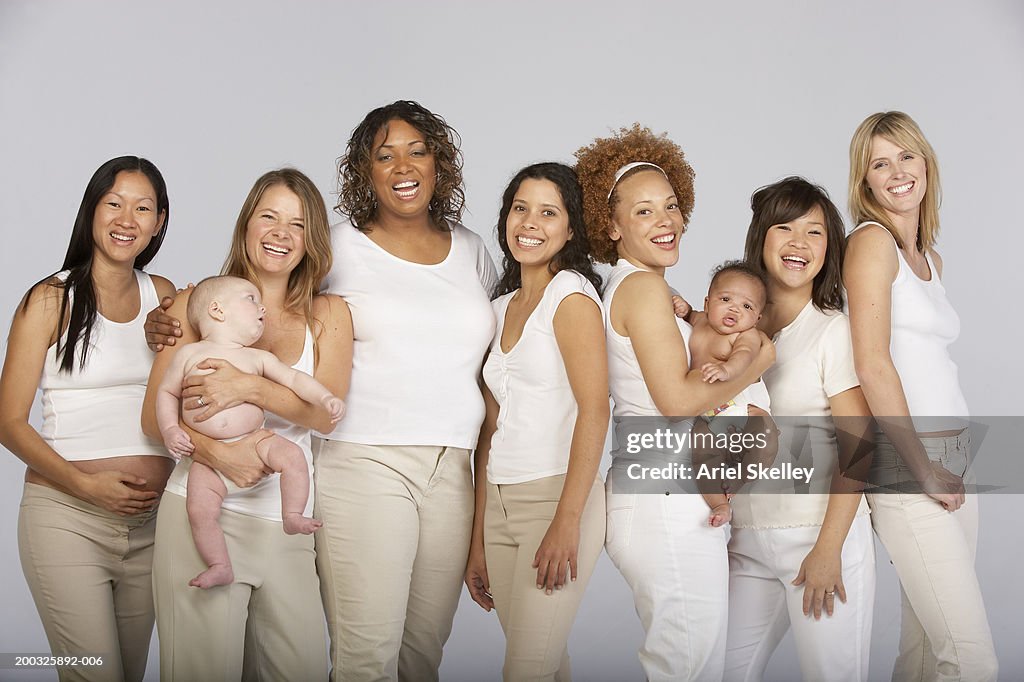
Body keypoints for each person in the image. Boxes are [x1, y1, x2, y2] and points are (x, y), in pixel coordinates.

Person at [574, 125, 775, 682]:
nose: (666, 221)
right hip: (663, 494)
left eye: (670, 205)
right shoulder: (640, 289)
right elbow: (677, 400)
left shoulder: (648, 288)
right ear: (611, 227)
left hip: (666, 489)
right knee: (688, 665)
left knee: (691, 663)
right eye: (643, 213)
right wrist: (756, 365)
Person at [141, 168, 351, 681]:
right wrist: (215, 455)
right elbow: (154, 416)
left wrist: (249, 387)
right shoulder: (197, 303)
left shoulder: (329, 314)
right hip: (198, 513)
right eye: (269, 217)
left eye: (297, 224)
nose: (281, 233)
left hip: (285, 523)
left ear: (312, 240)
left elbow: (326, 415)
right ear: (246, 225)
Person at [317, 100, 497, 682]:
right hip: (364, 461)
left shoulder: (471, 250)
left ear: (438, 164)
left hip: (453, 470)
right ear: (364, 172)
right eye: (384, 154)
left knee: (423, 655)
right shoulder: (336, 246)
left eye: (417, 151)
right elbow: (252, 299)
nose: (403, 165)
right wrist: (179, 312)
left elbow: (520, 336)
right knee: (368, 656)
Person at [0, 156, 174, 682]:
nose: (127, 219)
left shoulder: (163, 296)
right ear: (92, 211)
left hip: (153, 528)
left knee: (127, 673)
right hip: (67, 518)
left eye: (143, 208)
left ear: (159, 221)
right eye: (114, 203)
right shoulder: (51, 299)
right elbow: (9, 422)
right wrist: (85, 485)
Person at [845, 112, 997, 681]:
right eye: (879, 164)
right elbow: (872, 363)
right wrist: (923, 468)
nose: (897, 172)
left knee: (928, 651)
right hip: (909, 463)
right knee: (972, 657)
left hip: (955, 454)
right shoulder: (870, 243)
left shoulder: (931, 259)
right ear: (865, 182)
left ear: (926, 164)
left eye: (906, 156)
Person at [724, 176, 876, 682]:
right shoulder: (736, 329)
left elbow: (861, 446)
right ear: (760, 238)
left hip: (816, 539)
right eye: (784, 227)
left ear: (828, 248)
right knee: (721, 670)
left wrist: (828, 549)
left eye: (814, 232)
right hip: (746, 542)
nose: (798, 243)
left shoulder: (831, 330)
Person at [463, 162, 608, 681]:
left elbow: (596, 409)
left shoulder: (569, 296)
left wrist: (567, 521)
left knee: (525, 670)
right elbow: (490, 431)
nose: (530, 222)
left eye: (549, 212)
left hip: (558, 499)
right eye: (520, 208)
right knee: (546, 665)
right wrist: (477, 536)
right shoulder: (499, 308)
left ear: (570, 230)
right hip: (500, 502)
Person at [156, 275, 345, 588]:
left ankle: (292, 514)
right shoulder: (189, 354)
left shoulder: (257, 358)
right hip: (206, 460)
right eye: (251, 300)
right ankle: (219, 564)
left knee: (293, 457)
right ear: (217, 310)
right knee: (199, 510)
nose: (263, 309)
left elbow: (296, 381)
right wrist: (170, 429)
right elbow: (166, 393)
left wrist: (325, 397)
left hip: (256, 442)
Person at [687, 261, 772, 527]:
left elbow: (744, 358)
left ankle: (743, 477)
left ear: (757, 318)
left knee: (764, 436)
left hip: (744, 406)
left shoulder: (745, 335)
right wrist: (684, 310)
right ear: (708, 302)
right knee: (701, 450)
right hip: (711, 412)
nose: (735, 308)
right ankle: (719, 503)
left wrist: (727, 370)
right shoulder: (700, 321)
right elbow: (690, 315)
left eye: (747, 306)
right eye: (725, 299)